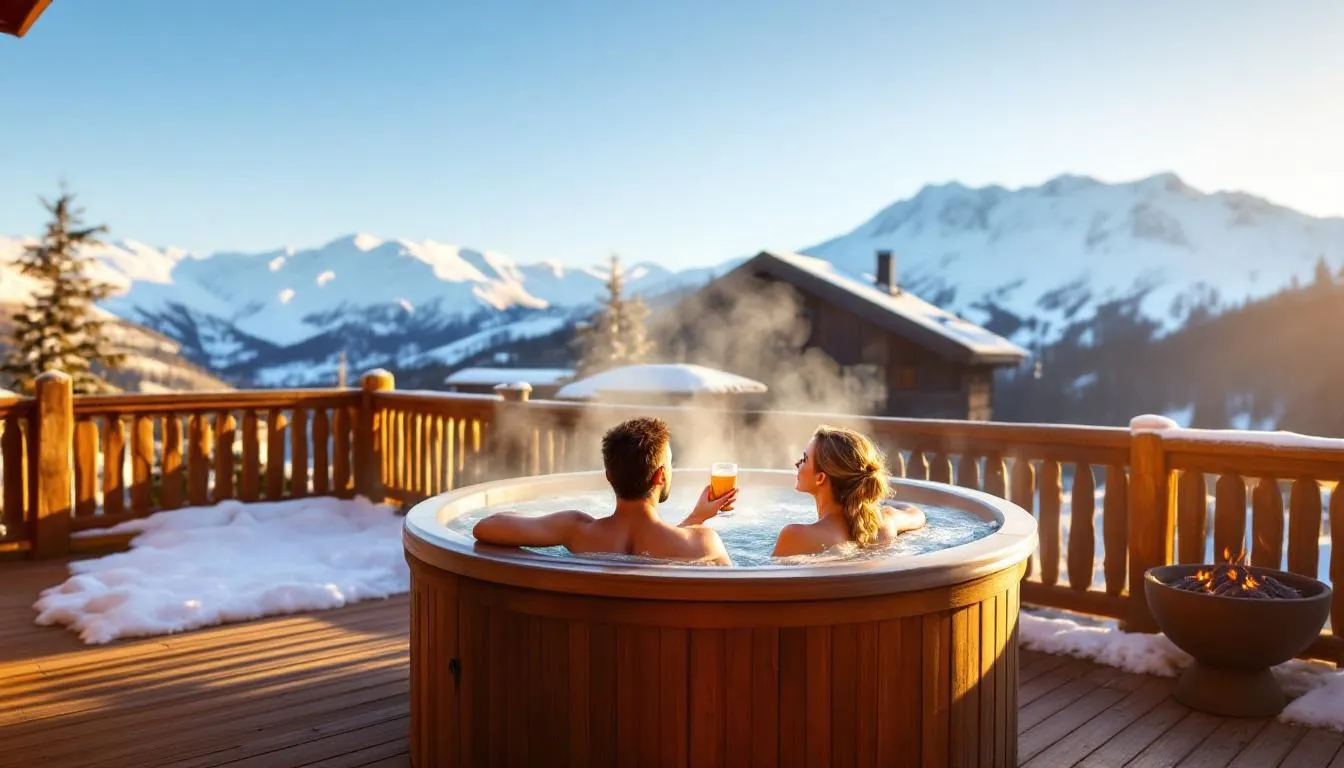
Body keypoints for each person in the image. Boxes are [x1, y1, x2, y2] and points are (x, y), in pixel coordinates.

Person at [472, 416, 736, 565]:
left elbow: (485, 526)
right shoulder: (702, 542)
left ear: (609, 476)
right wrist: (695, 522)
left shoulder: (575, 530)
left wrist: (694, 518)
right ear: (661, 475)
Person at [772, 424, 927, 558]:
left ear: (820, 478)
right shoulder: (884, 522)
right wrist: (869, 500)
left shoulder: (795, 536)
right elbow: (917, 514)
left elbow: (769, 583)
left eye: (805, 459)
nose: (797, 463)